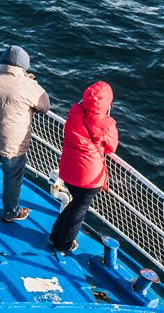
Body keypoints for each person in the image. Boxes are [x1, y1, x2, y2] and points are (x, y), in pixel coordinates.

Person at [0, 45, 50, 221]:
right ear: (24, 66)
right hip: (14, 146)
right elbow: (45, 107)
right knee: (13, 179)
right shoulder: (30, 85)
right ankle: (10, 213)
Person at [49, 81, 119, 252]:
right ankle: (63, 244)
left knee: (74, 205)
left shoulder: (75, 112)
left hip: (68, 171)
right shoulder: (107, 124)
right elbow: (111, 147)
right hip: (89, 178)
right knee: (78, 211)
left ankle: (54, 236)